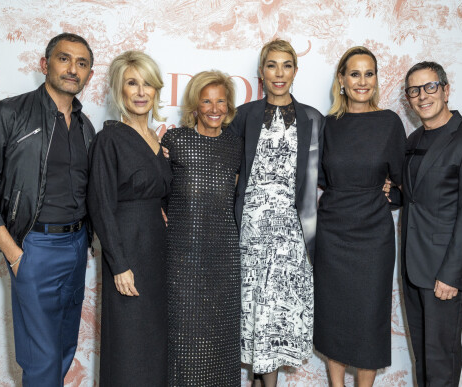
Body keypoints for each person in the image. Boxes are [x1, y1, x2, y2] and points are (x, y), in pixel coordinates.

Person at [0, 33, 95, 386]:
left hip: (77, 244)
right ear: (44, 64)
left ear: (90, 75)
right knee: (41, 358)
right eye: (64, 59)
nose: (72, 69)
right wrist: (14, 253)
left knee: (65, 347)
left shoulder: (86, 127)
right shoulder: (8, 113)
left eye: (82, 63)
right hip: (34, 248)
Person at [228, 39, 324, 387]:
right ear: (261, 72)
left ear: (295, 71)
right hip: (250, 232)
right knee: (255, 309)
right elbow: (225, 168)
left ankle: (262, 381)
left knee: (277, 315)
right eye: (272, 65)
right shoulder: (242, 115)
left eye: (286, 65)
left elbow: (329, 174)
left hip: (293, 235)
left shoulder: (314, 119)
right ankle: (260, 380)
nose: (279, 73)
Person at [313, 46, 407, 387]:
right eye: (355, 73)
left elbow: (405, 181)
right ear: (342, 79)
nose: (362, 81)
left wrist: (391, 194)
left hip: (374, 236)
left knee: (370, 318)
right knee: (333, 314)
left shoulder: (389, 123)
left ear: (376, 79)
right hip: (332, 234)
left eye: (369, 74)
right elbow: (317, 177)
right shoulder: (326, 125)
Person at [400, 61, 462, 387]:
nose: (422, 96)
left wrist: (451, 274)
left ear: (445, 89)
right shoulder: (412, 140)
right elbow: (413, 196)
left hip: (444, 271)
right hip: (413, 267)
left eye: (430, 87)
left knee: (441, 360)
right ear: (409, 98)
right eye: (414, 90)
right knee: (423, 360)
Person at [87, 51, 172, 386]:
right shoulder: (108, 138)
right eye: (132, 83)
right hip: (127, 253)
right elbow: (101, 205)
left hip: (157, 251)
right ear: (119, 91)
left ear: (156, 90)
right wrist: (118, 264)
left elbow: (163, 195)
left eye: (147, 84)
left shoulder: (157, 139)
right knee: (127, 342)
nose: (140, 92)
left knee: (154, 340)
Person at [161, 70, 242, 386]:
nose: (214, 108)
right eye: (206, 101)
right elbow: (153, 185)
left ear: (229, 105)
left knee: (220, 342)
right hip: (182, 260)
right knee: (183, 341)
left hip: (223, 258)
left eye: (220, 101)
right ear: (195, 105)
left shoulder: (236, 145)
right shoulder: (175, 139)